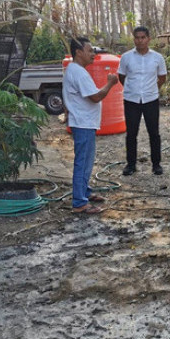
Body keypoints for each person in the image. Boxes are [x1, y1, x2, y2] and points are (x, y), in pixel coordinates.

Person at [63, 37, 118, 214]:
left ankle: (84, 192)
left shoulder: (76, 70)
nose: (93, 54)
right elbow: (95, 97)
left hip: (84, 122)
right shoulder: (77, 72)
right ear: (79, 52)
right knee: (82, 162)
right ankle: (79, 202)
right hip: (83, 123)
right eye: (89, 51)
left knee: (86, 161)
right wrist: (110, 83)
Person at [117, 26, 167, 176]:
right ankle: (130, 165)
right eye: (137, 38)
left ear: (148, 39)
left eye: (143, 37)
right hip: (131, 100)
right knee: (131, 133)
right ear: (134, 39)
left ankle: (156, 164)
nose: (140, 41)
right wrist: (132, 88)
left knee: (154, 133)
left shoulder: (157, 58)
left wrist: (152, 88)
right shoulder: (126, 57)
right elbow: (121, 76)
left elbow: (162, 77)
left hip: (151, 99)